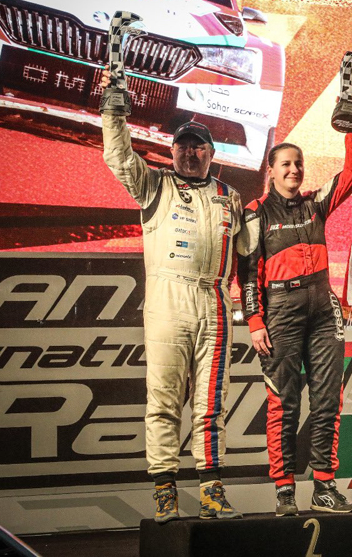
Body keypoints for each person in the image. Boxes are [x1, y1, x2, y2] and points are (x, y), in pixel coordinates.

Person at [101, 76, 242, 523]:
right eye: (183, 145)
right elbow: (118, 156)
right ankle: (165, 491)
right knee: (162, 400)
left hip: (217, 302)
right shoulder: (154, 186)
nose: (190, 152)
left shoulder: (230, 196)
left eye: (199, 146)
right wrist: (114, 111)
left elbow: (253, 257)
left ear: (211, 154)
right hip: (167, 300)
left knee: (210, 404)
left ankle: (213, 491)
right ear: (173, 150)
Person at [238, 93, 352, 515]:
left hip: (322, 308)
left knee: (328, 400)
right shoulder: (255, 213)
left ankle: (326, 487)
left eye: (298, 163)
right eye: (285, 164)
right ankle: (284, 492)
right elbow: (248, 272)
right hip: (279, 311)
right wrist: (255, 320)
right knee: (284, 403)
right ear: (271, 171)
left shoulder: (315, 203)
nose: (294, 170)